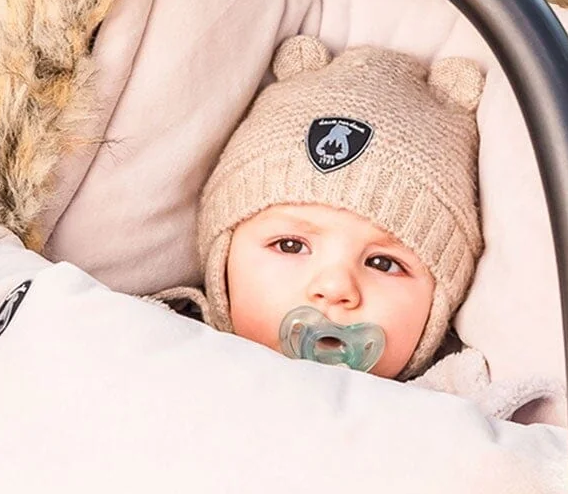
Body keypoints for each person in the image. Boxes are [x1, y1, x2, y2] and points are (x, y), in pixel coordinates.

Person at [177, 37, 486, 380]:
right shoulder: (161, 353)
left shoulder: (453, 404)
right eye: (290, 245)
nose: (336, 288)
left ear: (437, 311)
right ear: (221, 264)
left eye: (383, 263)